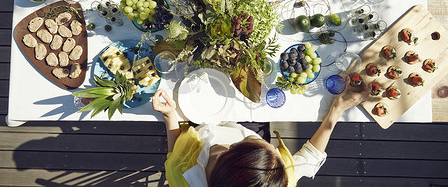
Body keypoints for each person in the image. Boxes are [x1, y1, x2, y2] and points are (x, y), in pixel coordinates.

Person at [152, 76, 372, 186]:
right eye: (271, 148)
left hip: (199, 127)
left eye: (241, 143)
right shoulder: (273, 178)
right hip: (248, 123)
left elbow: (176, 153)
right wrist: (338, 108)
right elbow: (310, 159)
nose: (276, 151)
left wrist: (170, 116)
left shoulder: (180, 175)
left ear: (225, 159)